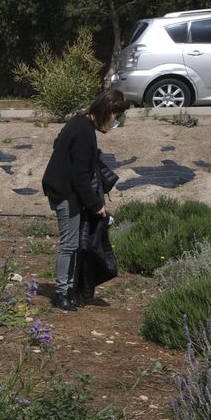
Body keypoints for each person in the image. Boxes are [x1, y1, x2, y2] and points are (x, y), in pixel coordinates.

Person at [40, 88, 127, 311]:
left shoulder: (79, 123)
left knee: (73, 244)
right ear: (106, 111)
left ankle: (69, 289)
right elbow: (79, 175)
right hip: (65, 192)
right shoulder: (84, 131)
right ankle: (62, 293)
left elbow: (59, 143)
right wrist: (96, 204)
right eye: (114, 117)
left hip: (63, 189)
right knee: (69, 245)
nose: (114, 122)